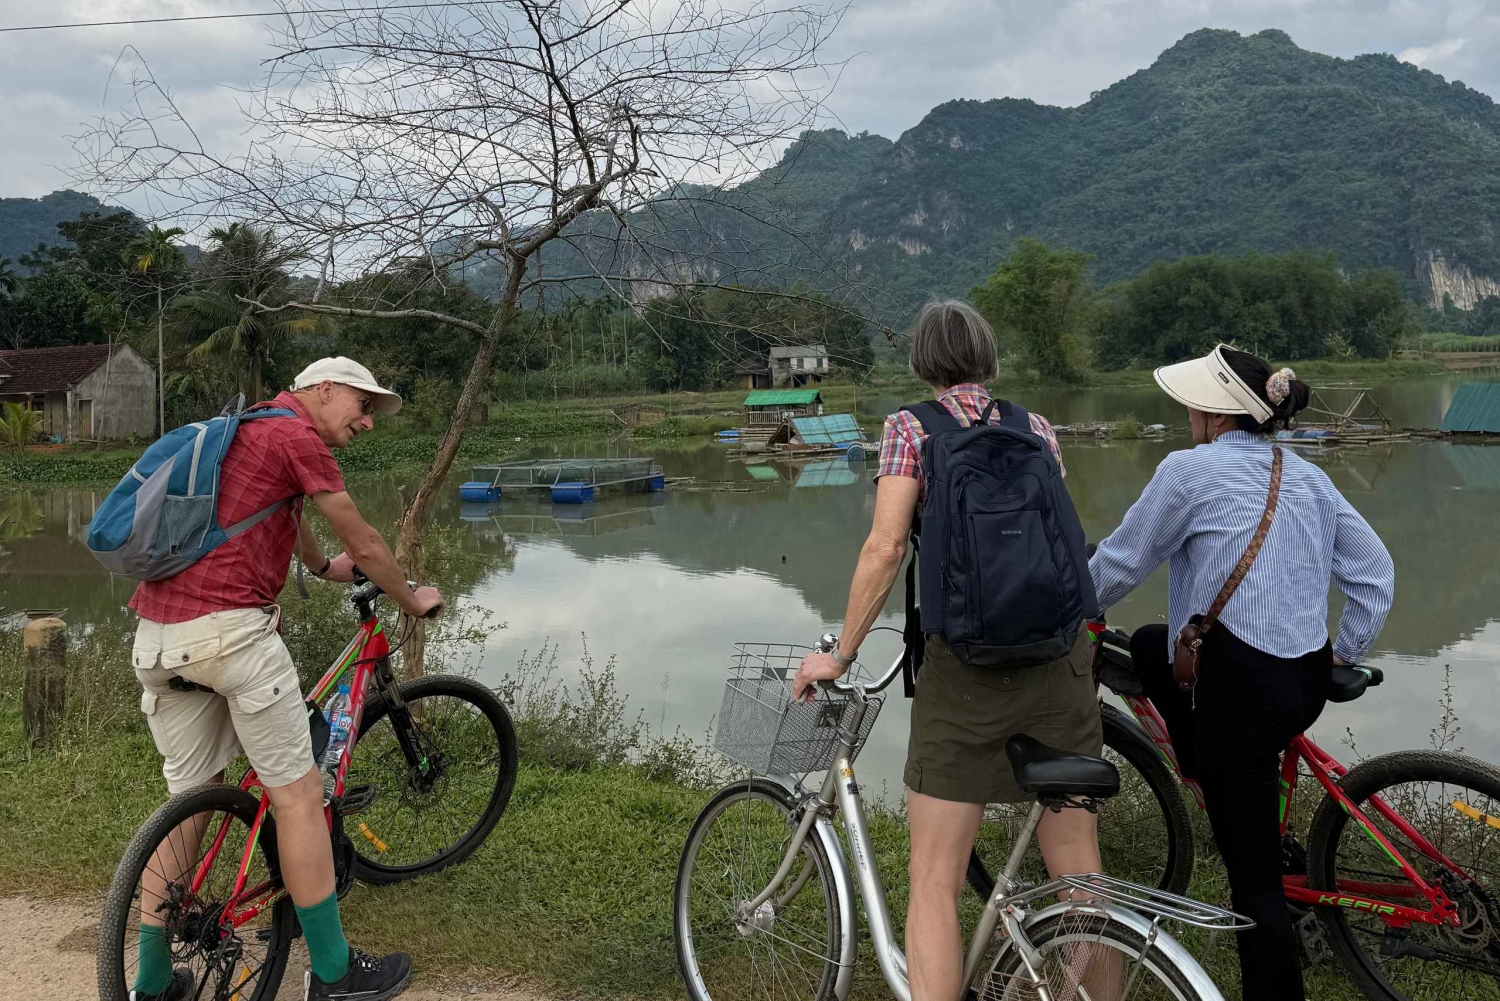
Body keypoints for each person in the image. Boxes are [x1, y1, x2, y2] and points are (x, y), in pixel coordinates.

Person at [793, 300, 1106, 1001]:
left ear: (922, 362)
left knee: (935, 878)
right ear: (988, 357)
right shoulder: (1035, 427)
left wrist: (841, 655)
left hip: (964, 675)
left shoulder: (910, 429)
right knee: (1081, 875)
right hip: (1057, 664)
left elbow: (886, 547)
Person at [128, 357, 444, 1001]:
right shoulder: (296, 434)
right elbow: (367, 542)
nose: (368, 421)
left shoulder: (246, 428)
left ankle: (153, 981)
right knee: (298, 798)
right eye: (362, 404)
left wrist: (322, 568)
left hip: (158, 638)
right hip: (229, 636)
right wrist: (412, 601)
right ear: (322, 389)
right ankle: (333, 974)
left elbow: (279, 515)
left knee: (190, 800)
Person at [1089, 344, 1395, 1000]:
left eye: (1194, 404)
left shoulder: (1187, 471)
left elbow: (1122, 562)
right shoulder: (1308, 475)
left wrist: (1061, 608)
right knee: (1152, 643)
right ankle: (1209, 769)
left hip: (1242, 697)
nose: (1188, 414)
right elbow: (1375, 572)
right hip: (1304, 682)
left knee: (1252, 881)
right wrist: (1344, 652)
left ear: (1216, 413)